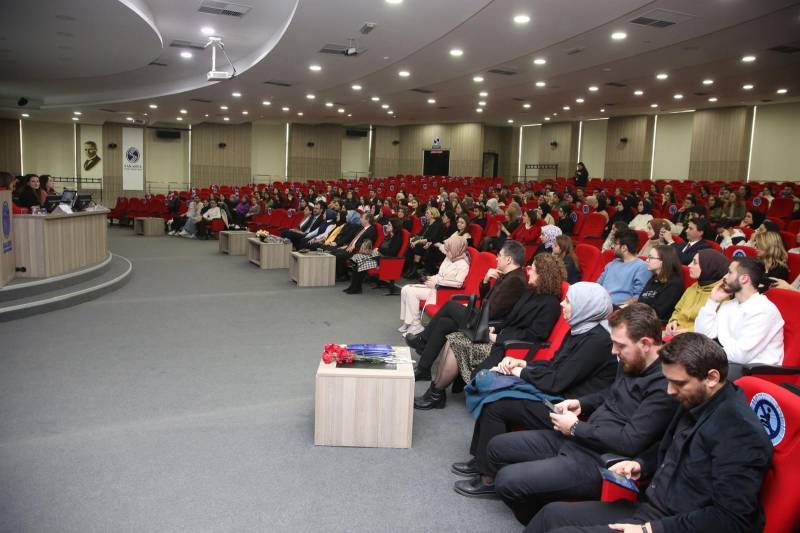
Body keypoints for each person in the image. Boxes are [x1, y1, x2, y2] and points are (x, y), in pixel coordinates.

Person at [528, 332, 773, 533]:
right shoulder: (696, 399)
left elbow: (730, 520)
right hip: (650, 508)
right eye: (668, 381)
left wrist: (652, 529)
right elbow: (673, 450)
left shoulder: (740, 432)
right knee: (551, 515)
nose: (669, 391)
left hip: (675, 524)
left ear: (711, 378)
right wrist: (642, 465)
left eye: (678, 383)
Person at [483, 304, 677, 525]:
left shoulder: (666, 385)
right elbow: (610, 393)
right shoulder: (632, 360)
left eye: (620, 345)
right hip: (581, 437)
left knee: (508, 481)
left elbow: (630, 442)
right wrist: (581, 404)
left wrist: (576, 427)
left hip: (599, 458)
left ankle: (542, 520)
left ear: (646, 344)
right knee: (496, 447)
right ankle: (543, 510)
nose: (613, 351)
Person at [452, 282, 617, 497]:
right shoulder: (580, 329)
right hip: (559, 396)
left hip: (570, 410)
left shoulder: (597, 341)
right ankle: (481, 460)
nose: (562, 303)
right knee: (493, 394)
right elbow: (555, 365)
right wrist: (523, 364)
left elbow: (557, 381)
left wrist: (519, 372)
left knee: (496, 405)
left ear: (585, 307)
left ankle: (488, 477)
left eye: (568, 301)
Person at [414, 253, 563, 410]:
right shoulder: (530, 292)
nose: (529, 271)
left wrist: (497, 337)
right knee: (454, 338)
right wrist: (495, 328)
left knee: (456, 342)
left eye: (533, 269)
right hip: (501, 337)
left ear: (543, 275)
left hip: (509, 348)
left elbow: (534, 336)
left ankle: (435, 393)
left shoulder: (550, 304)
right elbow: (509, 319)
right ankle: (436, 392)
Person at [406, 240, 528, 381]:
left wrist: (471, 309)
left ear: (508, 260)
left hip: (489, 325)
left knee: (450, 305)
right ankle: (423, 369)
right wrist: (486, 280)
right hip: (484, 317)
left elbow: (493, 311)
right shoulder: (507, 275)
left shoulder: (515, 281)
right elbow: (487, 299)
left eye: (499, 255)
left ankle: (422, 341)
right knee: (445, 323)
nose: (496, 258)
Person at [694, 256, 784, 372]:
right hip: (729, 362)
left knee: (694, 368)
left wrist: (705, 352)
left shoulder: (764, 310)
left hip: (755, 371)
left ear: (744, 279)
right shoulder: (729, 305)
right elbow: (702, 335)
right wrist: (713, 301)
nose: (724, 277)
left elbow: (741, 355)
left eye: (729, 272)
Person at [398, 235, 469, 337]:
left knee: (411, 291)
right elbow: (440, 275)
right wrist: (430, 277)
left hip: (442, 292)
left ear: (456, 249)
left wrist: (437, 282)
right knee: (405, 289)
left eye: (448, 250)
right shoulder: (449, 258)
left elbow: (458, 284)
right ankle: (408, 321)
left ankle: (416, 324)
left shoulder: (463, 264)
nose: (446, 253)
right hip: (435, 287)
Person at [664, 249, 728, 335]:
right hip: (676, 332)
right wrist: (673, 321)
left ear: (708, 267)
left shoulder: (721, 295)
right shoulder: (694, 286)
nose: (689, 265)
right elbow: (678, 309)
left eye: (694, 262)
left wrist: (688, 331)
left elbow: (713, 328)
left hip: (696, 338)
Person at [344, 218, 405, 294]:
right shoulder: (388, 236)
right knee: (357, 261)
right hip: (378, 257)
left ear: (394, 227)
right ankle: (354, 287)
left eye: (389, 225)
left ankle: (356, 288)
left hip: (385, 260)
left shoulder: (397, 239)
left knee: (360, 262)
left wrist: (379, 250)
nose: (387, 226)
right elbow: (382, 248)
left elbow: (391, 252)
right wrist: (376, 250)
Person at [597, 230, 651, 306]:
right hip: (599, 303)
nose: (613, 247)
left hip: (617, 307)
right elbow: (598, 284)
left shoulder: (642, 267)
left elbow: (639, 296)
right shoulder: (612, 263)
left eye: (616, 244)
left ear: (624, 248)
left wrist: (619, 308)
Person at [637, 245, 685, 322]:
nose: (647, 260)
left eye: (651, 257)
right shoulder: (654, 278)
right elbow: (640, 301)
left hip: (655, 323)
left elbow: (658, 313)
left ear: (663, 261)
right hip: (641, 318)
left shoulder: (674, 284)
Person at [329, 212, 377, 280]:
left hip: (358, 250)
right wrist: (347, 245)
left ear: (367, 220)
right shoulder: (362, 228)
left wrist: (354, 247)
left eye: (362, 218)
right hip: (351, 247)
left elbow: (367, 243)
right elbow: (355, 240)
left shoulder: (372, 230)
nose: (360, 219)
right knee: (333, 251)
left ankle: (343, 275)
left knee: (339, 255)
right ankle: (335, 273)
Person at [403, 207, 444, 278]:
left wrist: (417, 241)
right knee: (411, 245)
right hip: (422, 241)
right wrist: (414, 239)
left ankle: (414, 270)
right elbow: (420, 234)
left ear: (433, 215)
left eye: (427, 213)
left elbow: (430, 239)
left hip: (430, 244)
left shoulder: (436, 225)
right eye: (425, 213)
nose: (425, 215)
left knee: (418, 246)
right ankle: (410, 268)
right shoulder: (427, 223)